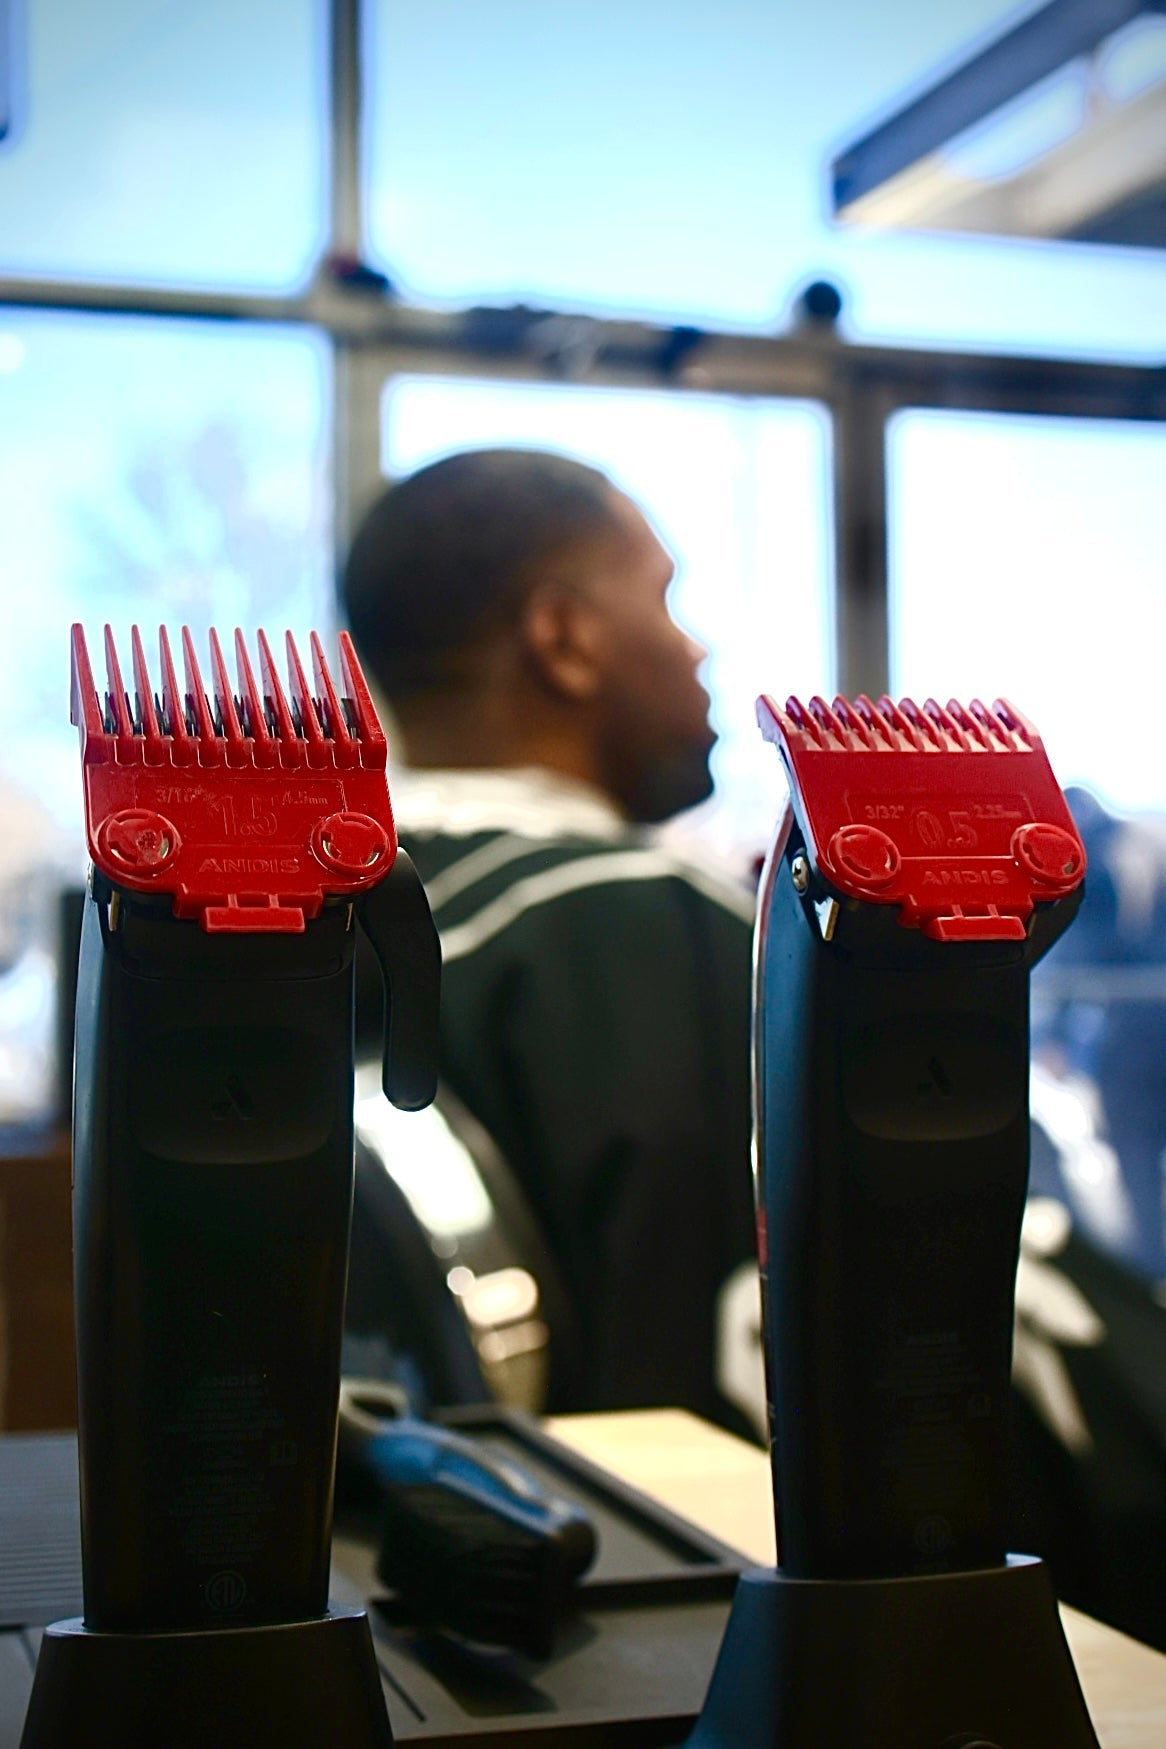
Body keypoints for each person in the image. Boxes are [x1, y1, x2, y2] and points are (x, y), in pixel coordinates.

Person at [342, 447, 759, 1430]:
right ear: (564, 637)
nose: (696, 649)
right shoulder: (651, 926)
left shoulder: (299, 922)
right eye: (664, 599)